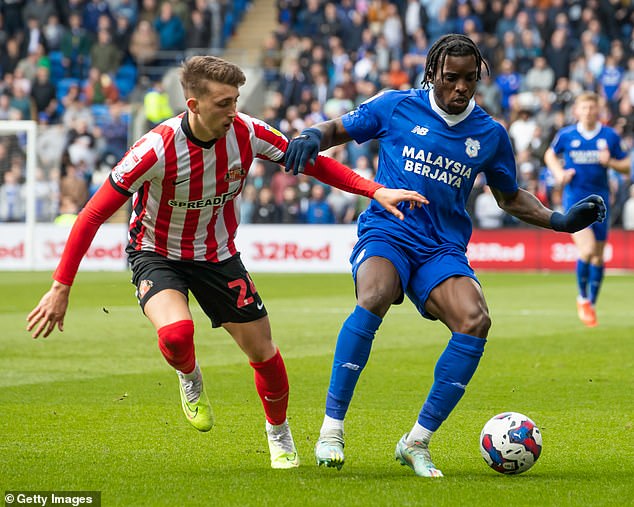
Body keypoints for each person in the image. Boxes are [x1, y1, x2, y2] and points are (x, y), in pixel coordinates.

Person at [26, 55, 426, 470]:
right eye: (223, 103)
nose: (233, 111)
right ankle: (189, 376)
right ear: (193, 105)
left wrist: (373, 190)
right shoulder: (155, 149)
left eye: (235, 100)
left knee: (264, 354)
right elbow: (92, 214)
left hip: (218, 256)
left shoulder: (247, 131)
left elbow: (308, 161)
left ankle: (278, 432)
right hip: (156, 253)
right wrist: (61, 286)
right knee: (178, 335)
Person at [284, 34, 606, 478]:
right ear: (433, 73)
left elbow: (509, 197)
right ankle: (331, 429)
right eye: (451, 78)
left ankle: (416, 441)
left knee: (475, 320)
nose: (460, 88)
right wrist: (311, 136)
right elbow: (339, 128)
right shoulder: (396, 105)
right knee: (375, 294)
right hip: (388, 229)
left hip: (441, 247)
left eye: (469, 80)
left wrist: (559, 221)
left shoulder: (490, 134)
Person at [544, 92, 630, 328]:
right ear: (577, 110)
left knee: (599, 256)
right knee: (588, 249)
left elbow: (626, 167)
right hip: (575, 200)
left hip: (601, 202)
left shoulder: (609, 136)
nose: (589, 111)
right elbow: (550, 154)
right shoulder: (567, 135)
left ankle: (591, 302)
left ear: (598, 110)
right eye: (584, 108)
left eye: (593, 108)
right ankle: (582, 298)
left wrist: (610, 162)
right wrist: (559, 174)